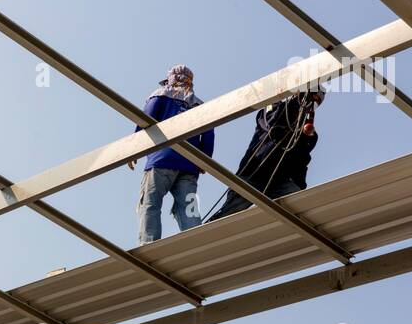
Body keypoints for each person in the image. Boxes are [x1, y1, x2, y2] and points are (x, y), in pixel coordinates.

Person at [208, 88, 325, 221]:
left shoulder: (308, 135)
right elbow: (272, 125)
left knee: (300, 209)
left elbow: (301, 161)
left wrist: (299, 186)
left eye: (315, 104)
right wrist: (294, 103)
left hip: (279, 182)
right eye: (309, 100)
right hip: (253, 174)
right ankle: (205, 235)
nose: (310, 106)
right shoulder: (272, 107)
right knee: (230, 213)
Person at [130, 64, 215, 244]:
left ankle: (149, 244)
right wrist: (204, 161)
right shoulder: (199, 104)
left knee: (150, 204)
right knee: (188, 208)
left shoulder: (160, 95)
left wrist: (132, 150)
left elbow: (145, 120)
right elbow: (208, 134)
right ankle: (198, 245)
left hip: (161, 160)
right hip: (189, 165)